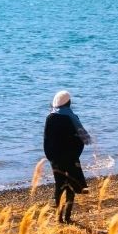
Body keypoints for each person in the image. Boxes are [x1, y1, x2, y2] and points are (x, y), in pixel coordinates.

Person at [43, 90, 91, 224]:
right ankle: (68, 217)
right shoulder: (73, 118)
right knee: (70, 186)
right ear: (68, 103)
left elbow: (46, 140)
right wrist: (76, 155)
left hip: (55, 159)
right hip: (71, 158)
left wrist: (50, 157)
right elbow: (81, 140)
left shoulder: (50, 118)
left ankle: (58, 217)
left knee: (59, 185)